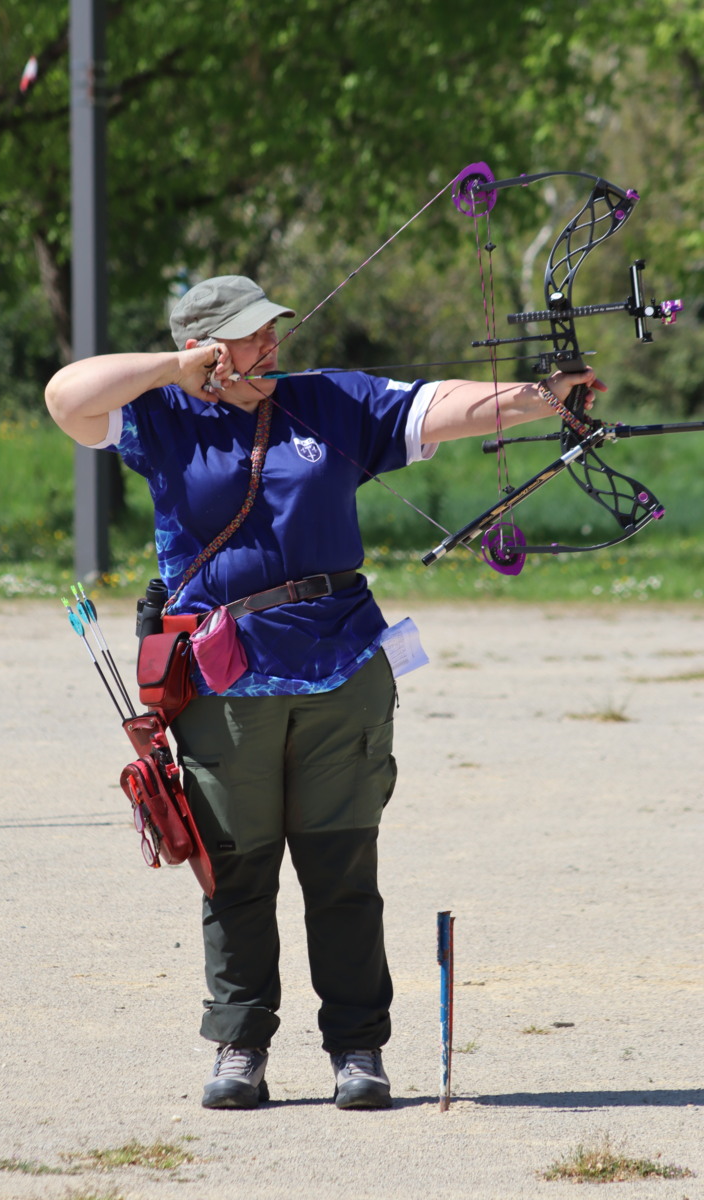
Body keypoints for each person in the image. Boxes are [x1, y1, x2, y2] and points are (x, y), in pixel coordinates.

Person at [45, 274, 602, 1111]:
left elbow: (440, 406)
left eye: (272, 328)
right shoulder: (159, 414)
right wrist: (173, 370)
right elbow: (65, 396)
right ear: (203, 346)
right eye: (248, 334)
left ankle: (357, 1048)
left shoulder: (331, 400)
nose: (270, 344)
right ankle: (240, 1044)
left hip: (342, 664)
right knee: (235, 869)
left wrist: (543, 396)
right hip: (223, 678)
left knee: (342, 868)